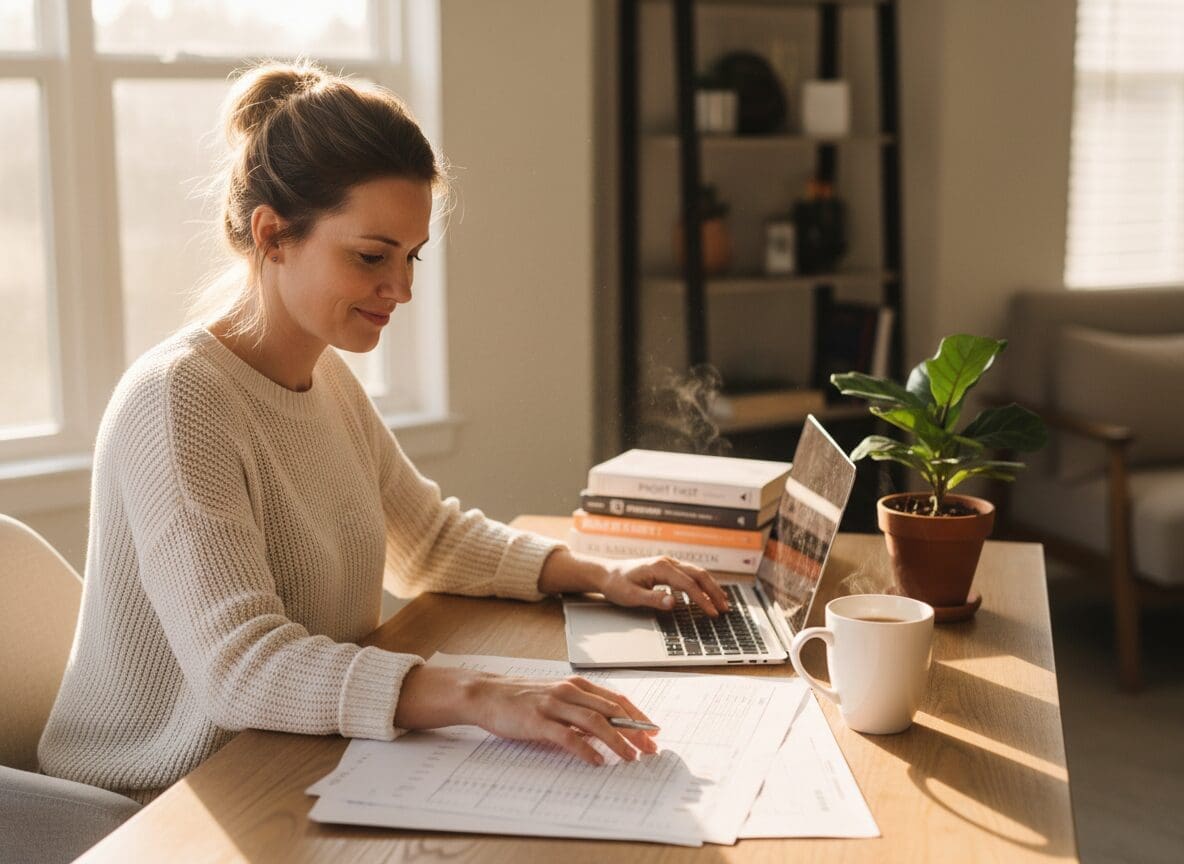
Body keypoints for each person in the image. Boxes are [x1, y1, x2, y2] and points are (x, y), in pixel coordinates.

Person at [37, 60, 729, 803]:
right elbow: (240, 671)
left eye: (410, 258)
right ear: (272, 235)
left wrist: (596, 573)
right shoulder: (178, 402)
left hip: (286, 761)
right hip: (163, 801)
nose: (400, 290)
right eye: (371, 257)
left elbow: (424, 540)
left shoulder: (325, 375)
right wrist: (481, 696)